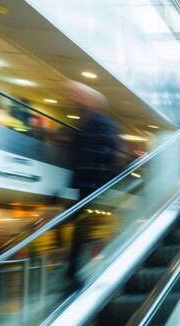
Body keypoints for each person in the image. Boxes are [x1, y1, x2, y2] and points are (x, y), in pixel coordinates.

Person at [65, 81, 124, 290]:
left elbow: (108, 152)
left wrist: (103, 176)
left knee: (85, 227)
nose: (75, 99)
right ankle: (74, 272)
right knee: (83, 227)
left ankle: (77, 272)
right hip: (88, 183)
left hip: (94, 183)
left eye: (79, 95)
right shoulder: (86, 121)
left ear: (93, 101)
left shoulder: (101, 123)